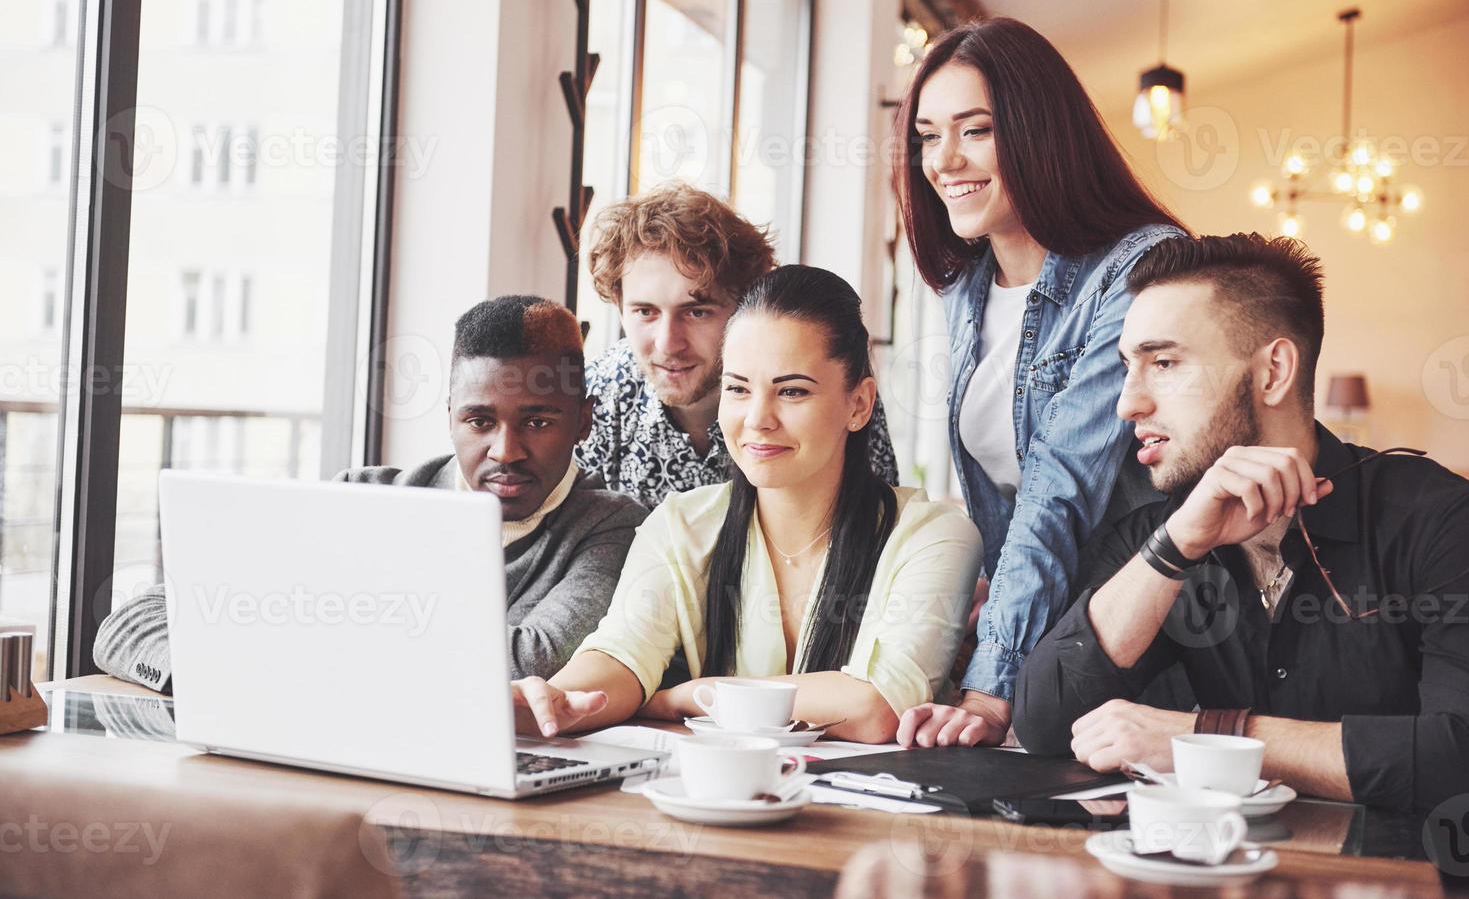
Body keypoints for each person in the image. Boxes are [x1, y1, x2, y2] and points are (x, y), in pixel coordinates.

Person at [1012, 233, 1469, 814]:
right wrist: (1175, 548)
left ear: (1273, 371)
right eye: (1129, 367)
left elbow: (1455, 757)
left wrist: (1205, 737)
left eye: (1165, 363)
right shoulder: (1156, 538)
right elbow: (1047, 726)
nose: (1128, 403)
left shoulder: (1440, 519)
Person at [511, 266, 982, 744]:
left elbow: (874, 706)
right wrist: (554, 700)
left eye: (792, 391)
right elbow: (622, 653)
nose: (758, 419)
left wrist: (696, 694)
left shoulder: (934, 535)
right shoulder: (681, 524)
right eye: (737, 388)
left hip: (879, 814)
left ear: (858, 405)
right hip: (720, 802)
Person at [93, 296, 647, 689]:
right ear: (450, 418)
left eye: (539, 422)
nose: (506, 450)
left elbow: (535, 661)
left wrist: (294, 639)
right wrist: (223, 671)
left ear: (583, 422)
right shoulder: (361, 497)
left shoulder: (614, 528)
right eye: (479, 421)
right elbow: (133, 619)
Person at [892, 17, 1189, 748]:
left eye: (975, 130)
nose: (944, 160)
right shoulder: (965, 285)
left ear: (1038, 132)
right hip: (1046, 633)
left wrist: (989, 687)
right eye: (928, 136)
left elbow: (1058, 485)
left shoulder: (1138, 268)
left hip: (1155, 634)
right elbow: (1000, 494)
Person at [576, 182, 899, 509]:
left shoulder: (830, 390)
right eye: (645, 312)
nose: (668, 343)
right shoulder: (594, 400)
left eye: (697, 312)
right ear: (619, 306)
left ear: (745, 306)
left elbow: (875, 525)